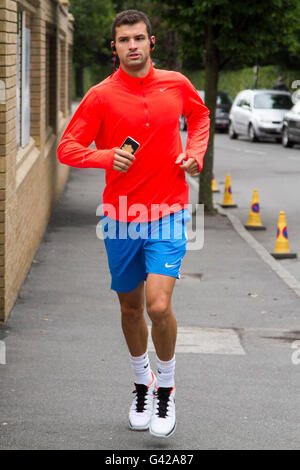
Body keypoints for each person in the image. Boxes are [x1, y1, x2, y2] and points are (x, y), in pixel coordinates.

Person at [57, 9, 210, 438]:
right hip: (121, 217)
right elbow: (67, 148)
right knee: (130, 308)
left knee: (158, 306)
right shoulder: (100, 96)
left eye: (139, 38)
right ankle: (140, 382)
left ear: (151, 42)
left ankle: (165, 387)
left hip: (169, 212)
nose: (133, 46)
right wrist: (105, 156)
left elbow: (199, 118)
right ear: (115, 47)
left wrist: (195, 154)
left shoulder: (176, 84)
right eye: (124, 40)